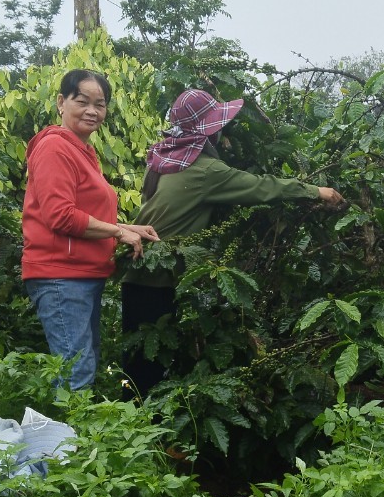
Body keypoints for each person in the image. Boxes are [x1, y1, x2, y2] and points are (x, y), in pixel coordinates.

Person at [121, 87, 345, 395]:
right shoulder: (207, 170)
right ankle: (140, 431)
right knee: (148, 370)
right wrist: (314, 191)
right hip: (158, 277)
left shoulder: (163, 157)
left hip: (138, 273)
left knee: (136, 365)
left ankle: (131, 425)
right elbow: (260, 187)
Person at [22, 69, 159, 390]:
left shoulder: (82, 150)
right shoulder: (55, 148)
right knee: (75, 369)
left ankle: (75, 439)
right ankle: (67, 441)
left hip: (80, 275)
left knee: (81, 363)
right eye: (82, 101)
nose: (92, 111)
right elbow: (60, 216)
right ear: (61, 102)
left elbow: (82, 212)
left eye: (100, 104)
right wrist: (116, 232)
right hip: (60, 276)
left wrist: (127, 226)